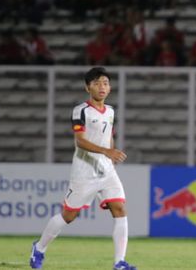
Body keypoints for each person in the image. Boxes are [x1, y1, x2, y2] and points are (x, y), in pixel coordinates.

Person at [29, 67, 136, 270]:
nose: (101, 87)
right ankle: (39, 248)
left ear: (110, 87)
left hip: (106, 170)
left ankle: (119, 263)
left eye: (105, 83)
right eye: (96, 83)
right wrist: (106, 151)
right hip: (84, 172)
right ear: (88, 87)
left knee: (120, 209)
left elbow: (109, 136)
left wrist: (110, 155)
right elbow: (80, 142)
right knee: (68, 216)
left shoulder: (111, 111)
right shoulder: (81, 110)